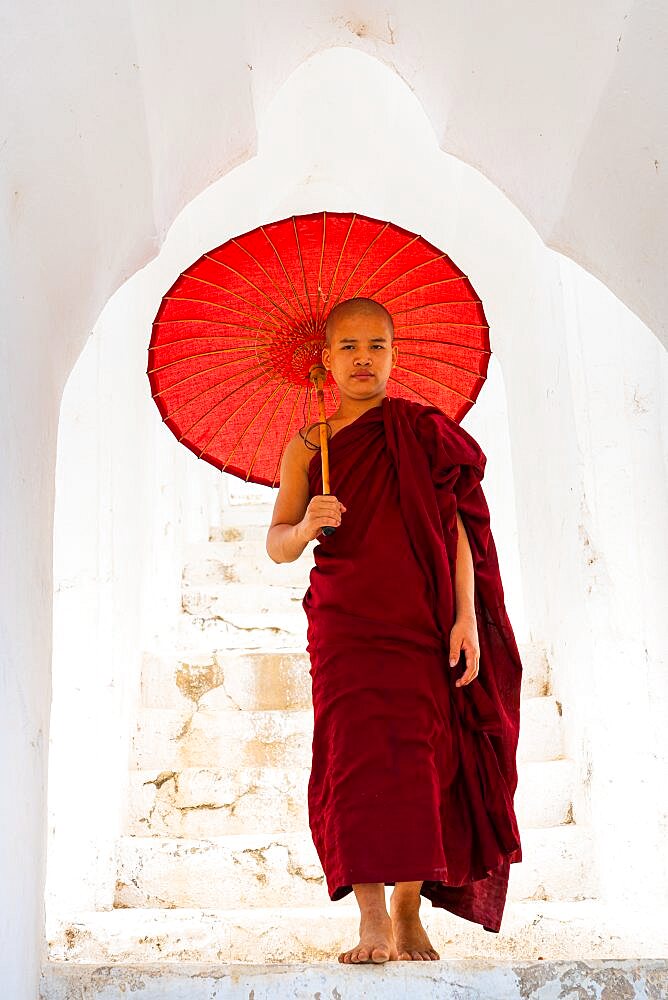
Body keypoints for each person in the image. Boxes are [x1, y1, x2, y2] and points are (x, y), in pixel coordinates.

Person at [266, 296, 522, 965]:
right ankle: (372, 919)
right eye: (348, 347)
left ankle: (410, 912)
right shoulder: (308, 448)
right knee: (355, 765)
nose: (362, 359)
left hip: (423, 622)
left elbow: (461, 531)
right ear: (324, 360)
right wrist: (307, 524)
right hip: (346, 624)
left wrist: (466, 618)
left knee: (420, 761)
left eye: (376, 345)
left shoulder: (425, 433)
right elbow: (276, 544)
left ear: (393, 355)